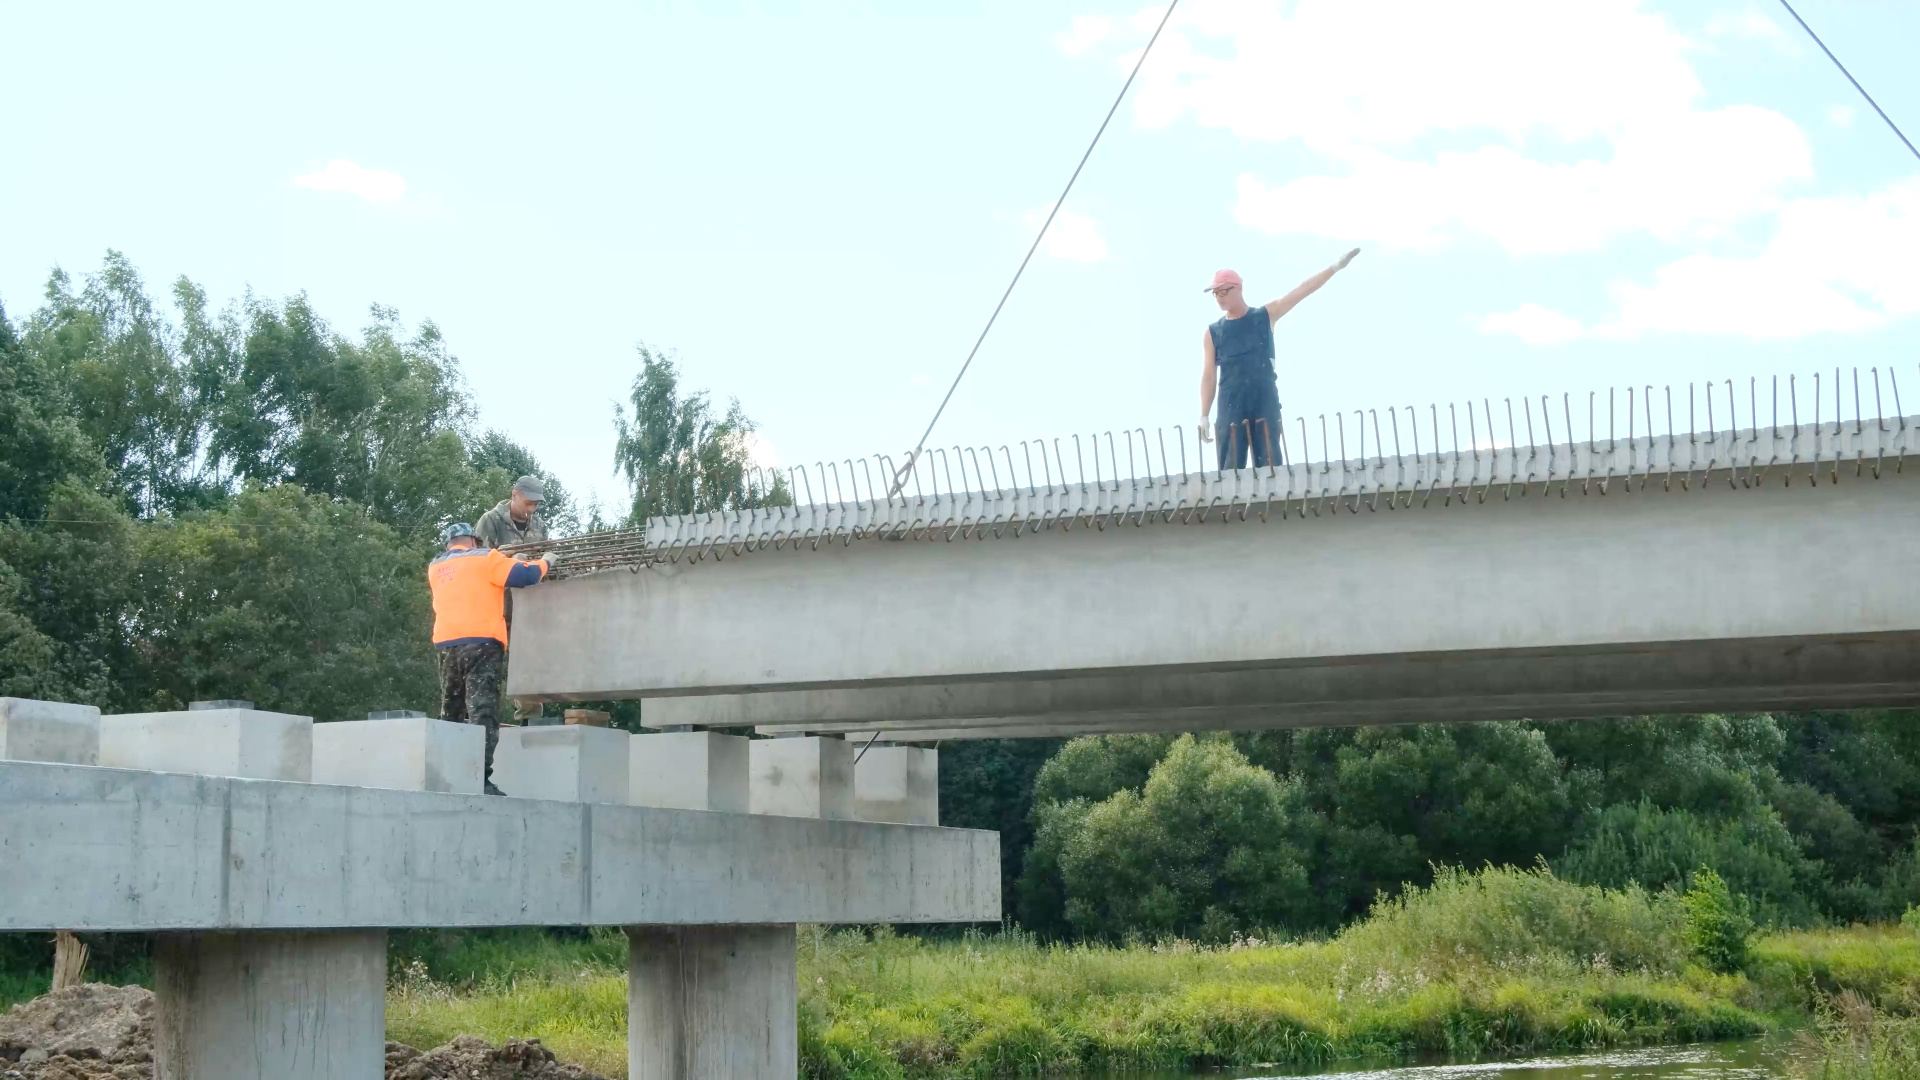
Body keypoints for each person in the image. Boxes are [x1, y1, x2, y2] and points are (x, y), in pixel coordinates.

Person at [1200, 249, 1360, 469]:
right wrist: (1204, 415)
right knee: (1230, 471)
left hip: (1264, 400)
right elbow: (1209, 376)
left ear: (1238, 289)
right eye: (1215, 294)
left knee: (1269, 467)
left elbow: (1300, 291)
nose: (1219, 298)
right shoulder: (1213, 332)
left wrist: (1334, 267)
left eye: (1223, 292)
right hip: (1230, 404)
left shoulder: (1264, 316)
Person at [428, 522, 552, 795]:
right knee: (482, 713)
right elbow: (525, 576)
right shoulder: (486, 557)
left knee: (451, 712)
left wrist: (506, 562)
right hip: (482, 644)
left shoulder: (435, 567)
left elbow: (469, 582)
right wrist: (545, 562)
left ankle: (447, 774)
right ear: (473, 540)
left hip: (448, 646)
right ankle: (479, 779)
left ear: (450, 543)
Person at [475, 475, 549, 722]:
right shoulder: (490, 522)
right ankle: (482, 719)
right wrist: (511, 563)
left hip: (529, 608)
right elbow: (480, 563)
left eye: (536, 504)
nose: (532, 509)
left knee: (529, 662)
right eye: (528, 502)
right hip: (497, 608)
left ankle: (530, 719)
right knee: (487, 669)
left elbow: (542, 563)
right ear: (514, 494)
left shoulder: (539, 525)